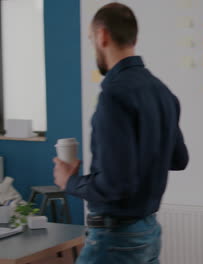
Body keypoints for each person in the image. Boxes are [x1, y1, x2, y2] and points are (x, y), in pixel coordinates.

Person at [52, 3, 189, 263]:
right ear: (134, 38)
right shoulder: (162, 92)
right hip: (148, 233)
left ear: (102, 36)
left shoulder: (114, 95)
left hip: (116, 240)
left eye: (92, 39)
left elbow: (116, 184)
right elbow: (178, 159)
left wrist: (69, 181)